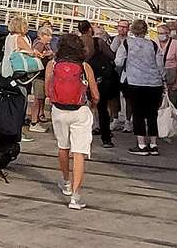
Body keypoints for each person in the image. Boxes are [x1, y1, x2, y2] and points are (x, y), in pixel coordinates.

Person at [48, 33, 99, 210]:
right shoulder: (84, 66)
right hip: (80, 111)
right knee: (79, 152)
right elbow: (96, 94)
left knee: (63, 147)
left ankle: (66, 182)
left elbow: (49, 90)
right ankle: (76, 198)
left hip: (59, 110)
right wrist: (93, 104)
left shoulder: (52, 65)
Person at [116, 19, 166, 155]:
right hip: (154, 83)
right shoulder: (153, 44)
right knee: (152, 114)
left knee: (137, 113)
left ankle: (142, 145)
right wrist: (163, 78)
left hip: (135, 82)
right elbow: (160, 65)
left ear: (132, 30)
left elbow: (118, 62)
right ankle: (154, 144)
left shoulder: (126, 43)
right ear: (146, 30)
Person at [80, 20, 118, 148]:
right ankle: (106, 138)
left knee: (82, 106)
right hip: (98, 77)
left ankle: (82, 135)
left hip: (81, 76)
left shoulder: (76, 42)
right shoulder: (98, 42)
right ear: (90, 29)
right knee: (102, 108)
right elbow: (112, 56)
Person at [1, 13, 37, 142]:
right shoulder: (19, 38)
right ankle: (19, 131)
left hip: (6, 71)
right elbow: (31, 52)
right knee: (21, 100)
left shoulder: (9, 37)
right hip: (18, 73)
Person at [28, 23, 55, 132]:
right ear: (42, 35)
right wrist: (46, 54)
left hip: (42, 75)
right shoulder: (40, 44)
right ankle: (34, 122)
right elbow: (35, 56)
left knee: (40, 98)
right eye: (48, 35)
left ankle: (37, 119)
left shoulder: (43, 45)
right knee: (37, 99)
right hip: (39, 75)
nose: (51, 38)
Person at [112, 19, 131, 132]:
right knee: (114, 96)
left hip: (126, 71)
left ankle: (128, 121)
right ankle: (115, 119)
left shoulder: (130, 41)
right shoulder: (114, 39)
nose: (122, 29)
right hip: (115, 71)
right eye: (120, 26)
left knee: (128, 97)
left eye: (124, 27)